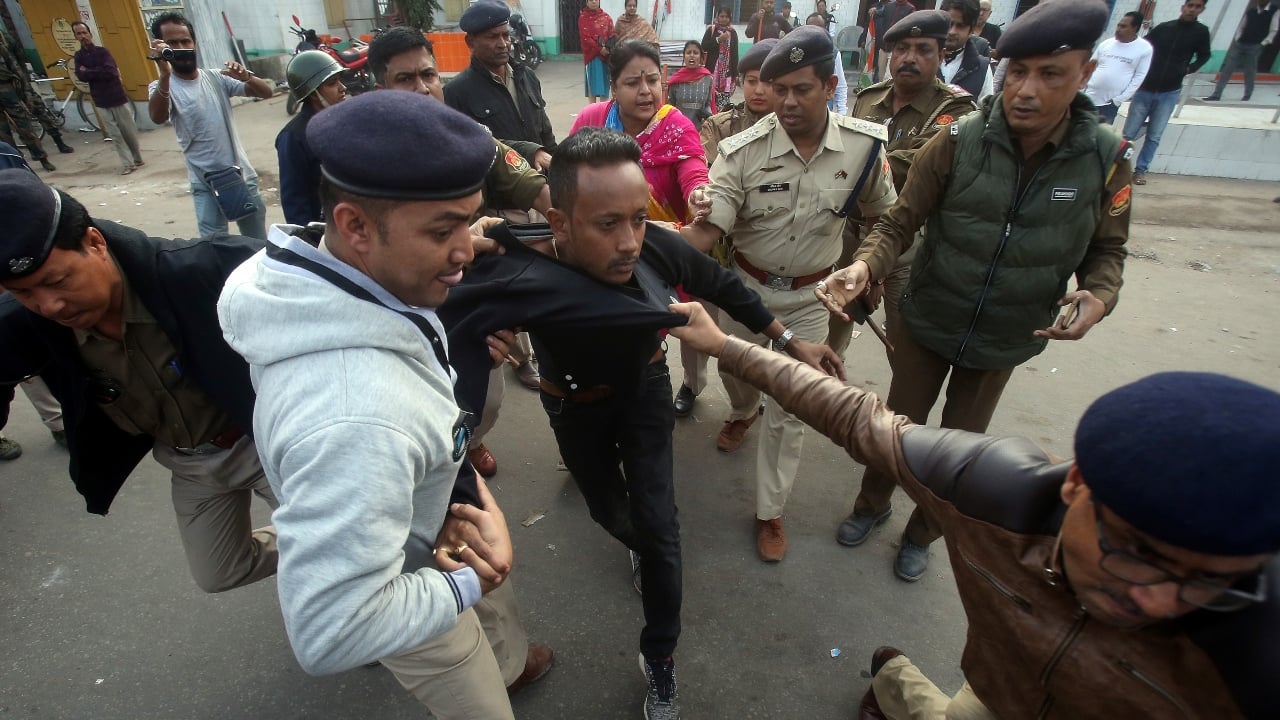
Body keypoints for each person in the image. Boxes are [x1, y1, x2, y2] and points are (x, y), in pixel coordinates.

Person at [668, 302, 1279, 720]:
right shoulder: (995, 493)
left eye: (1212, 582)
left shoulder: (1259, 655)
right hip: (997, 695)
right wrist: (726, 346)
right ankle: (891, 681)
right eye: (1137, 553)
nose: (1158, 602)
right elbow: (858, 418)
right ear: (1075, 488)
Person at [440, 126, 844, 720]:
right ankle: (638, 542)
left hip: (645, 394)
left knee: (661, 529)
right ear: (560, 226)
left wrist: (788, 339)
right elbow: (439, 329)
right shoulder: (510, 266)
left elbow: (720, 284)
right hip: (572, 411)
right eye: (607, 224)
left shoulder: (655, 245)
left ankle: (659, 655)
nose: (630, 241)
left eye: (637, 217)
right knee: (613, 512)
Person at [218, 89, 553, 720]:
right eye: (442, 230)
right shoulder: (356, 420)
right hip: (408, 577)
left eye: (470, 221)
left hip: (410, 527)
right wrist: (468, 582)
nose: (464, 250)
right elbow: (331, 632)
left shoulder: (319, 281)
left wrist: (445, 496)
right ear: (355, 226)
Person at [817, 0, 1130, 583]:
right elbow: (897, 222)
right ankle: (870, 506)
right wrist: (864, 266)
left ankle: (923, 534)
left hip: (1006, 335)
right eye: (1016, 73)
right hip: (929, 316)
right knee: (899, 427)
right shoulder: (959, 140)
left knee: (961, 447)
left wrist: (1099, 296)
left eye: (1049, 74)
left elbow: (1107, 251)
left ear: (1086, 74)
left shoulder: (1106, 159)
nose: (1026, 91)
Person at [0, 170, 278, 594]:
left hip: (264, 444)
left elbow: (331, 284)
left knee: (358, 545)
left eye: (56, 281)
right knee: (220, 572)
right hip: (188, 462)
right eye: (23, 293)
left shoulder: (207, 269)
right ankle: (314, 549)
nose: (49, 305)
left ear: (95, 243)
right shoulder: (27, 324)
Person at [679, 26, 897, 562]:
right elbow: (710, 231)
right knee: (739, 379)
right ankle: (742, 409)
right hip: (744, 293)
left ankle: (769, 511)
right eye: (778, 89)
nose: (787, 101)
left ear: (828, 85)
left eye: (802, 88)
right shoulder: (741, 152)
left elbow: (887, 217)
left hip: (811, 304)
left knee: (792, 410)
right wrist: (659, 241)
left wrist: (864, 268)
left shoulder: (865, 147)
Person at [367, 26, 554, 480]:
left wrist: (583, 219)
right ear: (381, 88)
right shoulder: (363, 157)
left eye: (428, 74)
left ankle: (472, 440)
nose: (422, 88)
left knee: (483, 399)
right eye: (405, 79)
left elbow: (538, 191)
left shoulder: (475, 140)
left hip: (468, 295)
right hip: (394, 308)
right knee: (406, 413)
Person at [828, 9, 976, 359]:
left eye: (923, 49)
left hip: (906, 243)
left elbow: (911, 166)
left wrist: (848, 167)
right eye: (902, 49)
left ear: (942, 54)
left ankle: (903, 410)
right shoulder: (869, 99)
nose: (909, 58)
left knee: (905, 346)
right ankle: (826, 402)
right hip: (851, 235)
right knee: (832, 330)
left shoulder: (955, 109)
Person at [146, 12, 272, 239]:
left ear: (194, 43)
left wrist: (247, 77)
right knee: (214, 248)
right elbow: (157, 116)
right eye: (173, 43)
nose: (181, 47)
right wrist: (164, 75)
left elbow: (266, 92)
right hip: (203, 183)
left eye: (186, 41)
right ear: (160, 46)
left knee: (256, 244)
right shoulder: (161, 86)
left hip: (240, 176)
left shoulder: (217, 77)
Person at [571, 39, 710, 225]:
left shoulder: (677, 127)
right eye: (632, 83)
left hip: (663, 242)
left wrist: (697, 192)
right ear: (614, 88)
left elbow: (693, 170)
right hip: (598, 237)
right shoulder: (592, 120)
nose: (645, 91)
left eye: (652, 81)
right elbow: (568, 173)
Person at [445, 0, 557, 169]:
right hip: (500, 191)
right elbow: (471, 147)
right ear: (470, 42)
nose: (503, 44)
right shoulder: (456, 92)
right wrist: (530, 153)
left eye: (505, 35)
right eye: (492, 37)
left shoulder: (527, 76)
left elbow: (545, 133)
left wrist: (559, 165)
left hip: (541, 183)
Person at [1122, 0, 1211, 186]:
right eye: (1190, 5)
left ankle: (1140, 171)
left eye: (1197, 6)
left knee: (1154, 135)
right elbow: (1144, 48)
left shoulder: (1201, 32)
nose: (1192, 9)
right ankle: (1118, 168)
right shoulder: (1164, 28)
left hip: (1169, 92)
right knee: (1128, 133)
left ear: (1201, 9)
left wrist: (1189, 68)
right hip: (1145, 89)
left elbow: (1205, 54)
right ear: (1183, 7)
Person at [275, 51, 346, 226]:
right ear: (313, 93)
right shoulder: (293, 137)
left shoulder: (342, 121)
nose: (342, 87)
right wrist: (310, 240)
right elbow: (295, 199)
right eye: (332, 83)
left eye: (339, 80)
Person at [72, 21, 144, 175]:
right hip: (100, 100)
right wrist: (95, 72)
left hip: (117, 97)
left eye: (84, 32)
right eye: (79, 33)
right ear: (76, 37)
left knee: (128, 132)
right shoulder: (79, 56)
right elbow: (81, 76)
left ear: (90, 34)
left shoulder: (103, 52)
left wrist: (89, 71)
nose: (83, 36)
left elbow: (110, 71)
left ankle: (137, 158)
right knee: (115, 135)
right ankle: (128, 164)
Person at [699, 39, 779, 163]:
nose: (759, 91)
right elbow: (704, 174)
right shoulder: (718, 127)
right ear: (742, 82)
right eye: (752, 81)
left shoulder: (791, 127)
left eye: (768, 82)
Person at [1203, 0, 1280, 102]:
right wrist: (1238, 38)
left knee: (1249, 71)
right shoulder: (1251, 11)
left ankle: (1247, 95)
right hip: (1241, 43)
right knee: (1227, 69)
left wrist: (1263, 43)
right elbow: (1242, 26)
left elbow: (1273, 29)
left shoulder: (1274, 11)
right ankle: (1216, 94)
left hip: (1256, 45)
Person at [0, 30, 55, 171]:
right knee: (3, 135)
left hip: (8, 91)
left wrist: (26, 94)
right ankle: (17, 165)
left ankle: (42, 158)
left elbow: (18, 70)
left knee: (25, 127)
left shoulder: (3, 46)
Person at [1085, 12, 1152, 125]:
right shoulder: (1106, 44)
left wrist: (1118, 100)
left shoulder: (1144, 49)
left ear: (1134, 28)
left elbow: (1139, 76)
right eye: (1118, 25)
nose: (1118, 29)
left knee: (1100, 139)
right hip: (1087, 99)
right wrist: (1081, 92)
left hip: (1108, 105)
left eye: (1123, 26)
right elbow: (1089, 68)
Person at [939, 0, 992, 99]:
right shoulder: (923, 59)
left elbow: (984, 110)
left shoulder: (982, 68)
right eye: (949, 24)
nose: (952, 32)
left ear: (971, 30)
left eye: (960, 26)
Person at [701, 7, 740, 112]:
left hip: (727, 73)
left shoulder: (733, 33)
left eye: (726, 17)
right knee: (711, 95)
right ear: (717, 17)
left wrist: (735, 74)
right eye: (721, 16)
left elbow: (735, 53)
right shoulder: (711, 30)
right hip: (712, 70)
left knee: (724, 99)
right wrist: (718, 40)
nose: (724, 19)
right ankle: (711, 116)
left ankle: (722, 118)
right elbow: (703, 46)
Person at [808, 13, 848, 114]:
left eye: (819, 28)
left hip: (825, 104)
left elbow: (841, 85)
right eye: (811, 28)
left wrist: (842, 112)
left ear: (825, 29)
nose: (815, 32)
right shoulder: (798, 52)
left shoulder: (833, 53)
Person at [668, 41, 716, 126]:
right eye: (688, 52)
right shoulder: (676, 80)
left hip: (700, 130)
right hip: (678, 128)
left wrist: (710, 123)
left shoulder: (708, 78)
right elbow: (670, 106)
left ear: (701, 57)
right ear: (684, 56)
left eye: (696, 53)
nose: (692, 55)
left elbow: (708, 105)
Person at [873, 0, 918, 81]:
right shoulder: (888, 6)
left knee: (889, 77)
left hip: (897, 48)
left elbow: (911, 26)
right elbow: (879, 12)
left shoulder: (910, 9)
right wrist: (874, 11)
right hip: (883, 45)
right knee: (880, 75)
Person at [580, 0, 614, 102]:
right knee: (592, 89)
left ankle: (603, 113)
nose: (594, 2)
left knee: (604, 88)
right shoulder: (583, 18)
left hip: (605, 58)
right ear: (586, 2)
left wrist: (608, 48)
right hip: (591, 58)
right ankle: (593, 112)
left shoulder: (606, 17)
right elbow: (585, 37)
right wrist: (600, 49)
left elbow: (612, 34)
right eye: (591, 0)